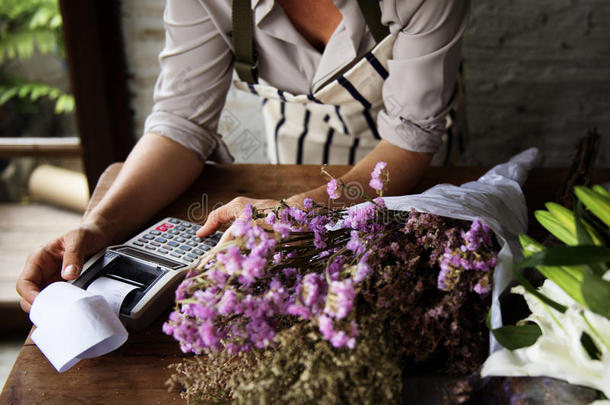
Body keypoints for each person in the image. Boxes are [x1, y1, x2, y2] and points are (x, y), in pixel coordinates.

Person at [17, 0, 469, 312]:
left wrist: (297, 211)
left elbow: (409, 140)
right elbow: (181, 125)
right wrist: (100, 225)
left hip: (405, 167)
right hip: (295, 147)